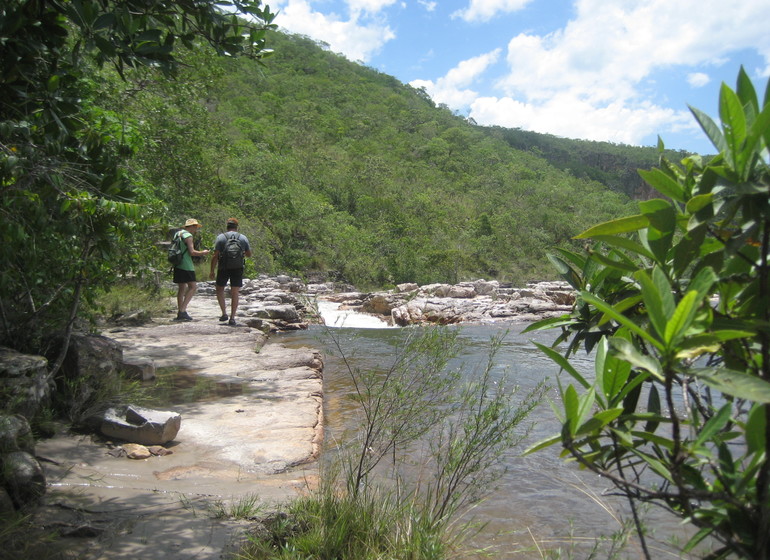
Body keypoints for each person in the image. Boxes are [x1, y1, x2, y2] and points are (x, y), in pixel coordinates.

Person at [209, 218, 252, 326]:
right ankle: (232, 318)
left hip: (223, 267)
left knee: (219, 289)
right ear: (237, 227)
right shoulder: (242, 238)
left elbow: (215, 256)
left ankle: (224, 313)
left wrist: (212, 270)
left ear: (227, 226)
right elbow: (249, 254)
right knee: (235, 292)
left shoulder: (221, 237)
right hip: (237, 267)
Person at [172, 218, 210, 321]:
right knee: (193, 287)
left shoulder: (178, 234)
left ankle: (180, 311)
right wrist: (203, 252)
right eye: (195, 227)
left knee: (181, 288)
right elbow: (192, 252)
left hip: (177, 264)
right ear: (192, 227)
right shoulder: (188, 236)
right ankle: (182, 311)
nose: (196, 229)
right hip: (186, 265)